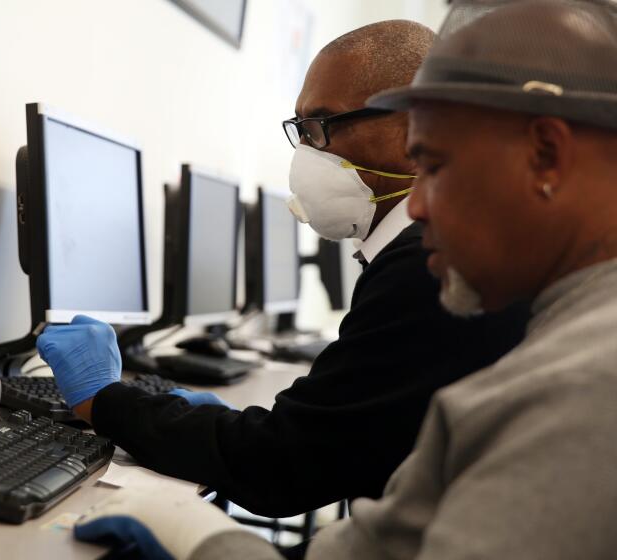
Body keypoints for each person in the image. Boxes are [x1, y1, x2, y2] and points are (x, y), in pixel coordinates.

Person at [71, 0, 617, 558]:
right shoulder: (553, 343)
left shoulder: (586, 383)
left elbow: (290, 467)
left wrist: (197, 536)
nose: (419, 206)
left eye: (436, 165)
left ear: (547, 155)